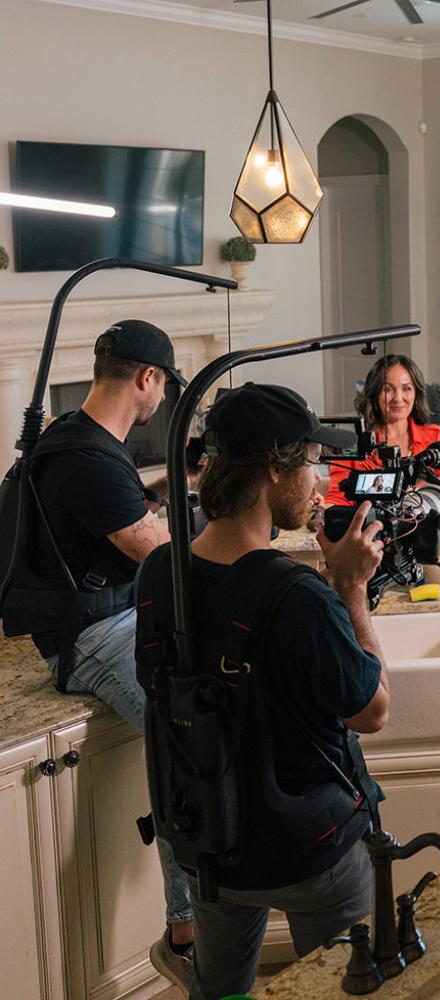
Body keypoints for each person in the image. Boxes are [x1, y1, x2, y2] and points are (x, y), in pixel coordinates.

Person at [151, 383, 389, 1000]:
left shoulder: (160, 572)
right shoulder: (301, 597)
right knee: (347, 989)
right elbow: (373, 710)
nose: (319, 480)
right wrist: (352, 588)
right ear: (276, 469)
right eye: (312, 461)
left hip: (212, 841)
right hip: (309, 852)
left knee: (221, 989)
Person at [9, 320, 196, 988]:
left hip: (111, 618)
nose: (162, 400)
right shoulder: (89, 459)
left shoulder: (80, 439)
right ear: (148, 378)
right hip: (88, 639)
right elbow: (166, 557)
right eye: (165, 387)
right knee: (189, 726)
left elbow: (137, 523)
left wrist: (181, 493)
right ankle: (187, 930)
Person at [324, 354, 440, 506]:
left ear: (416, 394)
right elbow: (337, 498)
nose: (398, 398)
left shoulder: (433, 437)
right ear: (375, 395)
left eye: (406, 388)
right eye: (387, 389)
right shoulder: (351, 442)